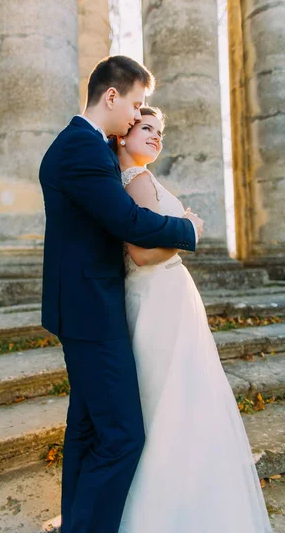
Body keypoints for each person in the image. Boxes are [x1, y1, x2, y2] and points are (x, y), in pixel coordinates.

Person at [39, 55, 203, 533]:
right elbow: (127, 222)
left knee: (88, 429)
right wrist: (188, 229)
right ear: (111, 96)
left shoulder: (86, 146)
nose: (137, 117)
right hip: (91, 311)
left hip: (88, 303)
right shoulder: (81, 148)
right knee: (123, 437)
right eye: (135, 104)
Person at [116, 106, 272, 532]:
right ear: (122, 135)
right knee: (169, 402)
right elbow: (142, 253)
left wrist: (181, 226)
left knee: (178, 399)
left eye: (159, 131)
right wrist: (190, 229)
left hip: (167, 299)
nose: (156, 137)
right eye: (146, 128)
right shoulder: (136, 181)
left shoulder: (141, 179)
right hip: (157, 299)